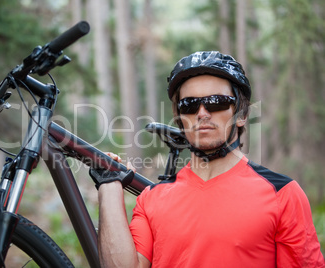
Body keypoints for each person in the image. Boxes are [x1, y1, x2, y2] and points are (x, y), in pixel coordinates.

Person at [89, 51, 325, 267]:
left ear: (241, 115)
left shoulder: (282, 194)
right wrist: (109, 185)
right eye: (189, 105)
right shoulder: (152, 199)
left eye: (217, 102)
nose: (202, 113)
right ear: (180, 118)